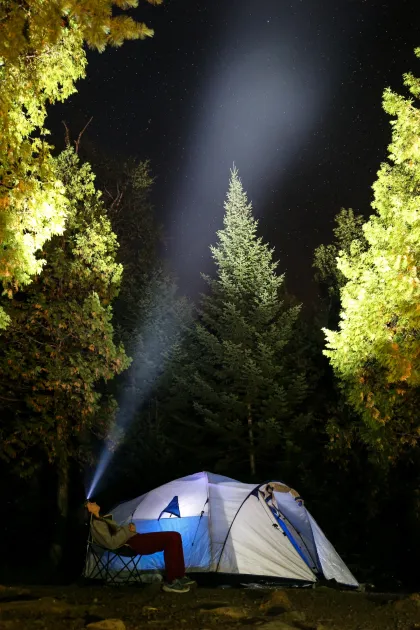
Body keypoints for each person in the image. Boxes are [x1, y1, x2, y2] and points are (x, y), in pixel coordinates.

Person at [85, 500, 195, 593]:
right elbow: (111, 543)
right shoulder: (96, 524)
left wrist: (128, 530)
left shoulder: (101, 520)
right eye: (90, 503)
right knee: (171, 537)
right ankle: (172, 581)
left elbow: (116, 535)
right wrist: (128, 529)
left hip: (135, 539)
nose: (94, 502)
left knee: (175, 535)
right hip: (130, 544)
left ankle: (179, 576)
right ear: (88, 509)